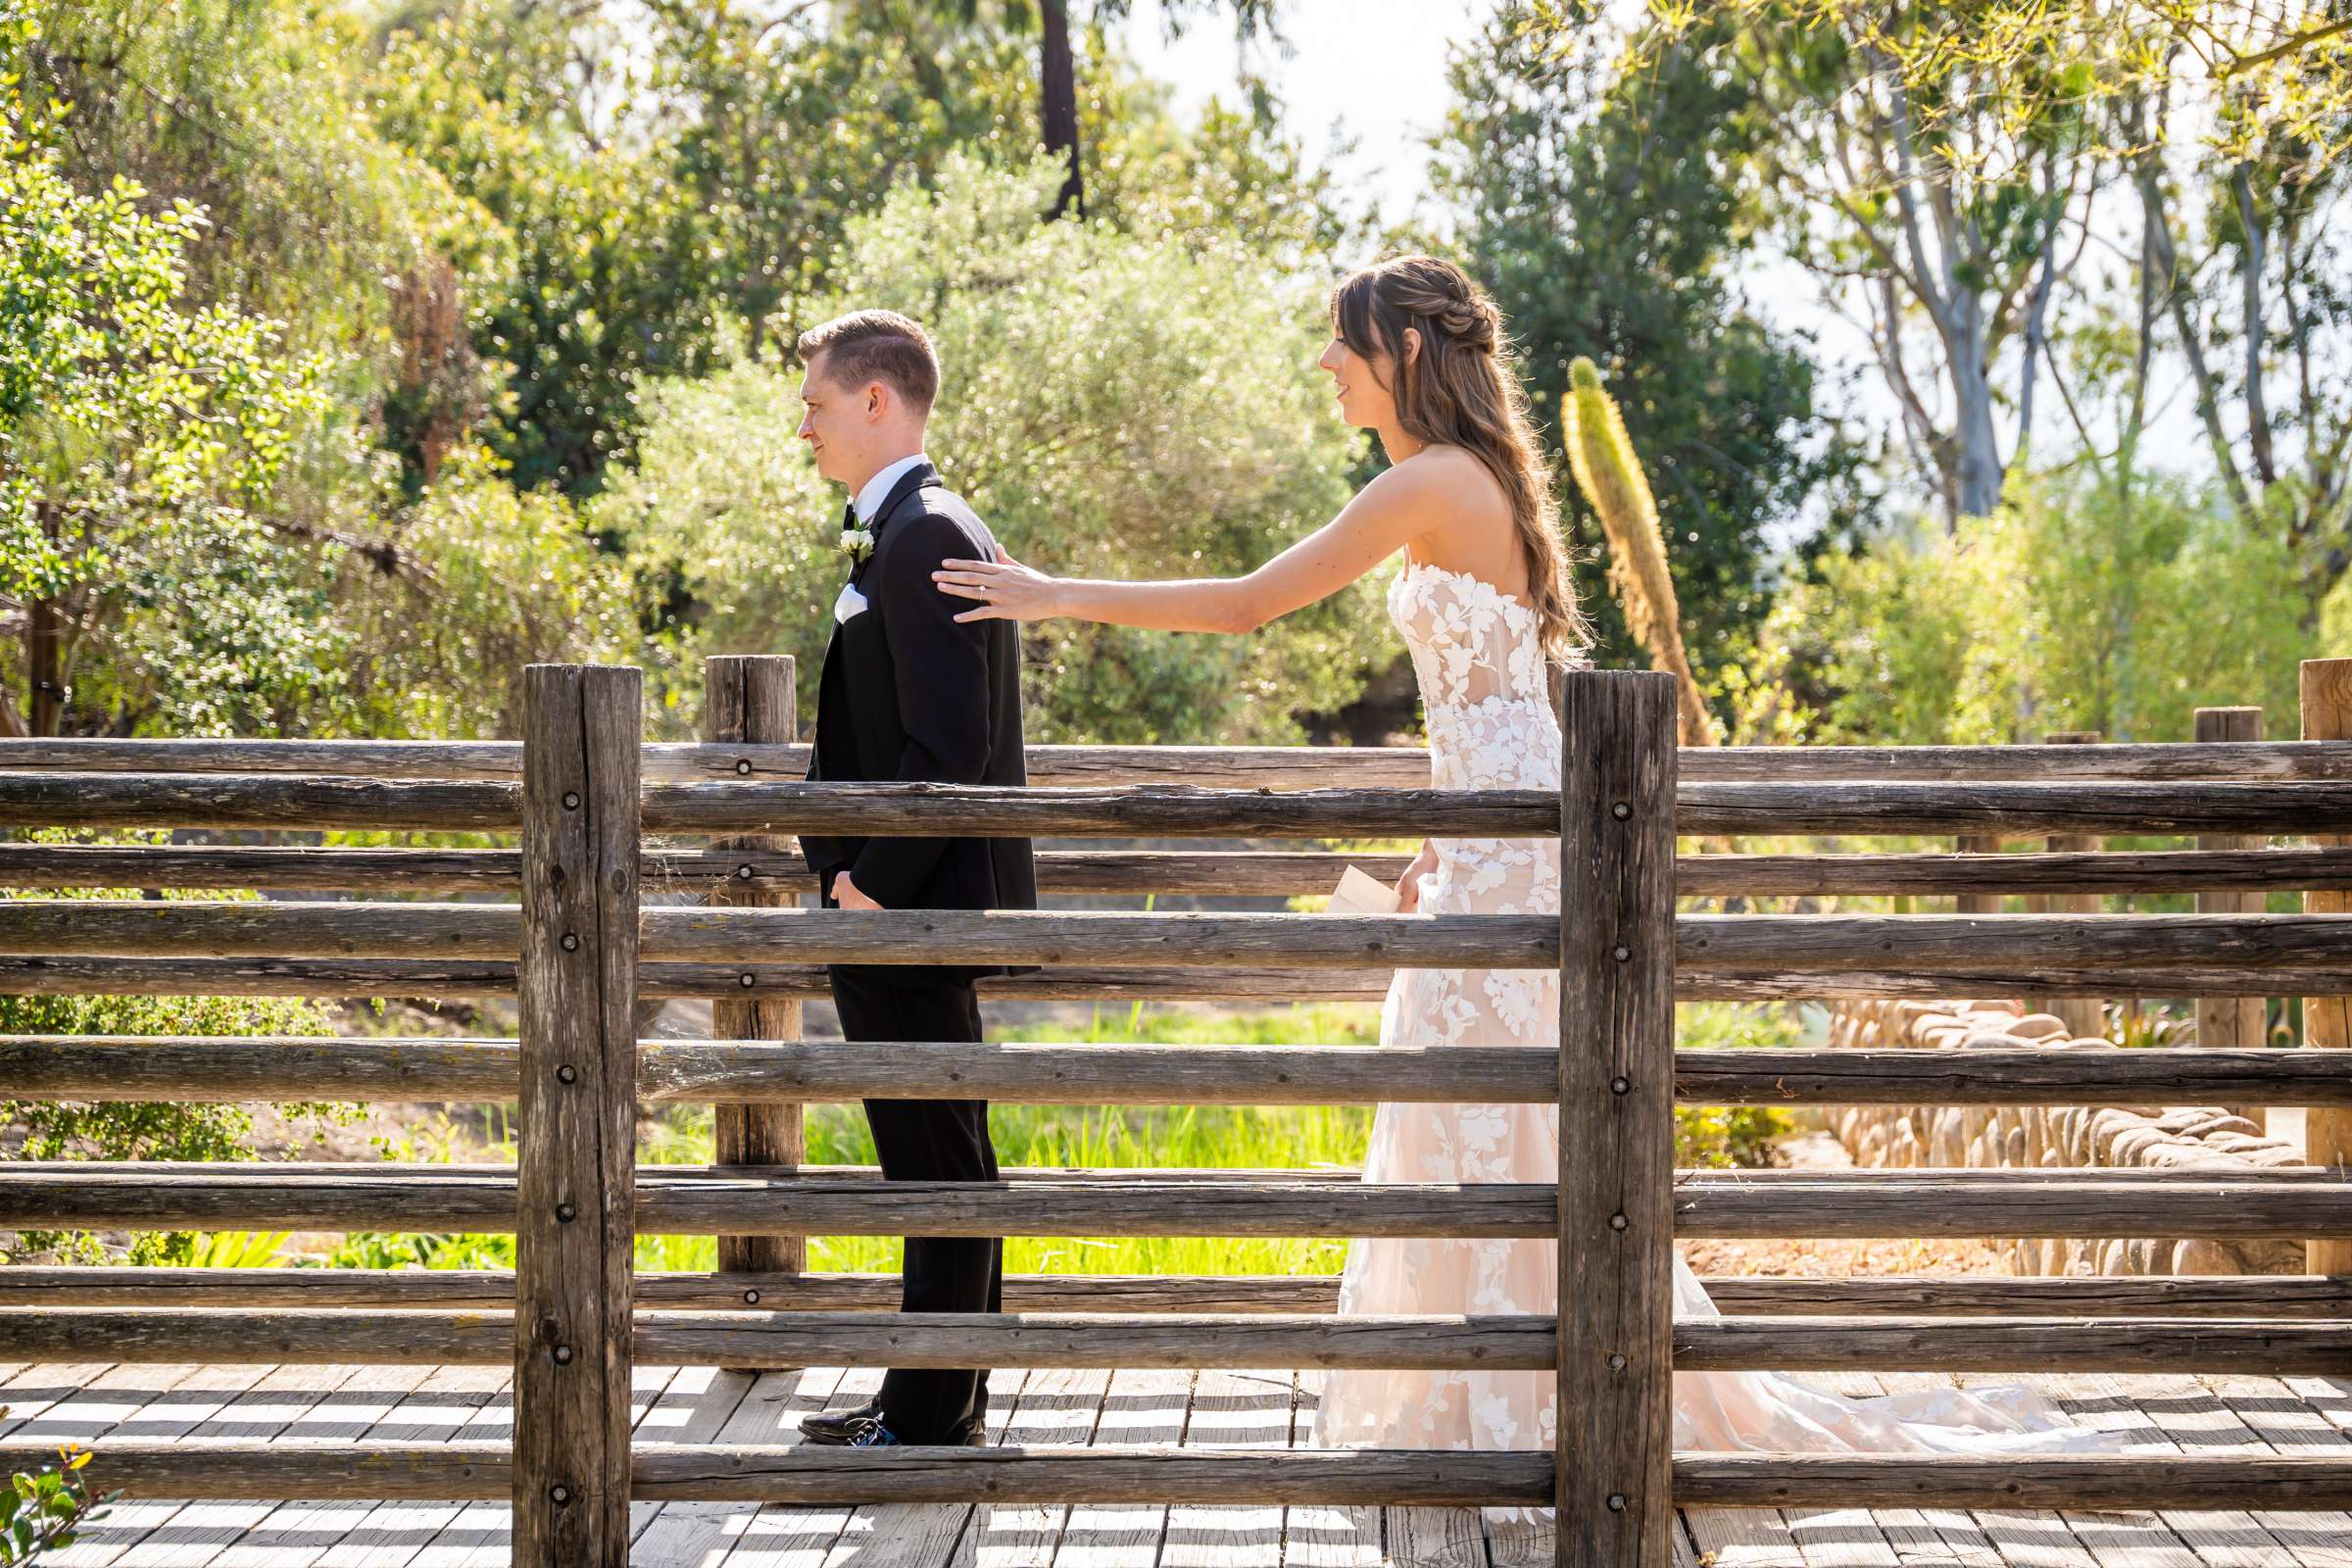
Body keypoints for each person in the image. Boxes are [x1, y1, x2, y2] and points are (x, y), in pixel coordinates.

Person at [929, 256, 2115, 1490]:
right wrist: (1447, 832)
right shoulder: (1476, 477)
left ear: (1402, 351)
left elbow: (1246, 605)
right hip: (1495, 838)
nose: (1327, 364)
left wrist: (1045, 592)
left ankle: (1535, 1408)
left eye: (1345, 343)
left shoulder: (1431, 479)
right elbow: (1500, 707)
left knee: (1501, 1113)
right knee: (1491, 1113)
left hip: (1511, 854)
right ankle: (1502, 1396)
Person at [791, 309, 1037, 1450]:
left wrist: (867, 891)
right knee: (935, 1153)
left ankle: (936, 1414)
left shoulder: (923, 530)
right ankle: (928, 1393)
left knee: (937, 1159)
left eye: (819, 405)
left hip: (909, 906)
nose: (805, 427)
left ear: (877, 401)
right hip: (906, 900)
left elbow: (949, 743)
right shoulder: (910, 526)